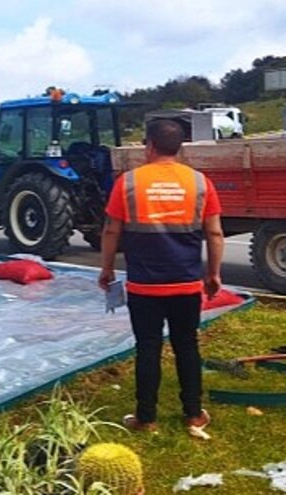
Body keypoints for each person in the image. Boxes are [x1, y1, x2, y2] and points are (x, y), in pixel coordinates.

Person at [97, 118, 224, 435]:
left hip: (144, 286)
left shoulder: (127, 183)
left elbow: (112, 229)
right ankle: (194, 414)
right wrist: (213, 274)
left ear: (149, 145)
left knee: (148, 348)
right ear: (178, 146)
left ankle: (146, 418)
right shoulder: (199, 183)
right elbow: (215, 233)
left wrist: (107, 268)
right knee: (187, 345)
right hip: (186, 283)